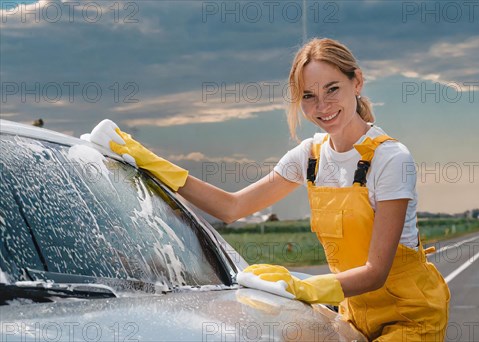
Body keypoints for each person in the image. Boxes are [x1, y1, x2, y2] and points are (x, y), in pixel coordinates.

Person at [86, 38, 450, 341]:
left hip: (409, 317)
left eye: (332, 89)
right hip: (353, 312)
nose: (322, 106)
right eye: (308, 96)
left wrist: (301, 286)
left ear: (357, 82)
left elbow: (376, 271)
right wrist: (146, 159)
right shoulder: (309, 156)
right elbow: (230, 207)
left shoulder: (390, 158)